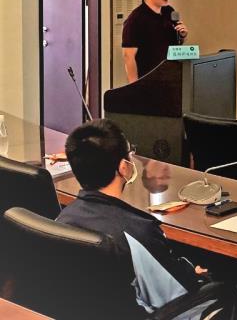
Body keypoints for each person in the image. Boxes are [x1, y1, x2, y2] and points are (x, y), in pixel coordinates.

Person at [56, 120, 210, 314]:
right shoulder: (139, 231)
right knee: (236, 291)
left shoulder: (62, 218)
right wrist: (192, 274)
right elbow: (174, 292)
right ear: (123, 167)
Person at [122, 0, 188, 82]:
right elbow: (128, 56)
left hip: (172, 77)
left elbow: (174, 44)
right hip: (150, 80)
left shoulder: (169, 11)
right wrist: (134, 87)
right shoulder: (135, 20)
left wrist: (182, 35)